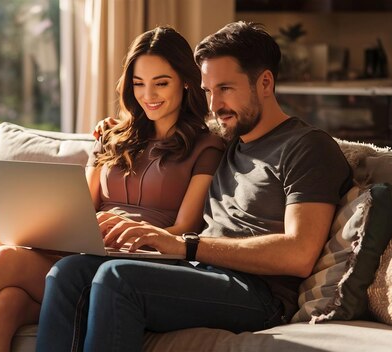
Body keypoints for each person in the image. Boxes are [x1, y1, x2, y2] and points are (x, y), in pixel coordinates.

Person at [35, 21, 354, 352]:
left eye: (226, 88)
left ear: (265, 83)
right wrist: (122, 128)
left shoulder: (307, 146)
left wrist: (184, 245)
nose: (215, 104)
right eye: (207, 91)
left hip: (258, 293)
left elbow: (299, 254)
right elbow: (168, 129)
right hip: (200, 272)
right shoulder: (228, 139)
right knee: (68, 272)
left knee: (116, 280)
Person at [0, 26, 223, 351]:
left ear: (186, 81)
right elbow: (84, 208)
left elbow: (185, 228)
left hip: (143, 265)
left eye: (161, 83)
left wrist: (140, 232)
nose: (148, 95)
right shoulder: (112, 137)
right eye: (138, 84)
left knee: (4, 260)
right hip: (87, 255)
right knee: (6, 303)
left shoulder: (206, 146)